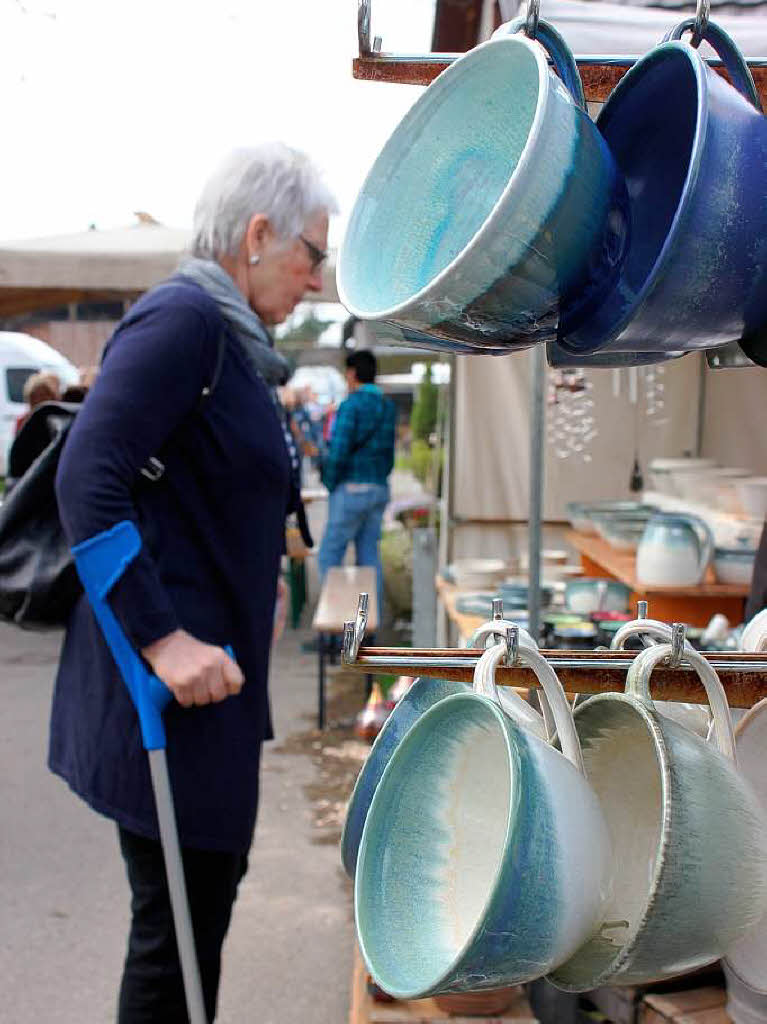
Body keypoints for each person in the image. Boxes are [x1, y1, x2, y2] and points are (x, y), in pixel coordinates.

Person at [50, 142, 336, 1023]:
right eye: (312, 254)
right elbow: (85, 478)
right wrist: (162, 637)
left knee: (193, 924)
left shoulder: (229, 338)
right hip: (166, 697)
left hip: (210, 696)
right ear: (257, 234)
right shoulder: (185, 320)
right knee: (175, 938)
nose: (318, 282)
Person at [318, 350, 396, 619]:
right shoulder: (387, 406)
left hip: (350, 489)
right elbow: (389, 457)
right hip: (378, 489)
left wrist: (329, 482)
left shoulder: (350, 406)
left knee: (329, 557)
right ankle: (370, 628)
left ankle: (335, 631)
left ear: (352, 373)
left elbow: (338, 452)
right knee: (369, 558)